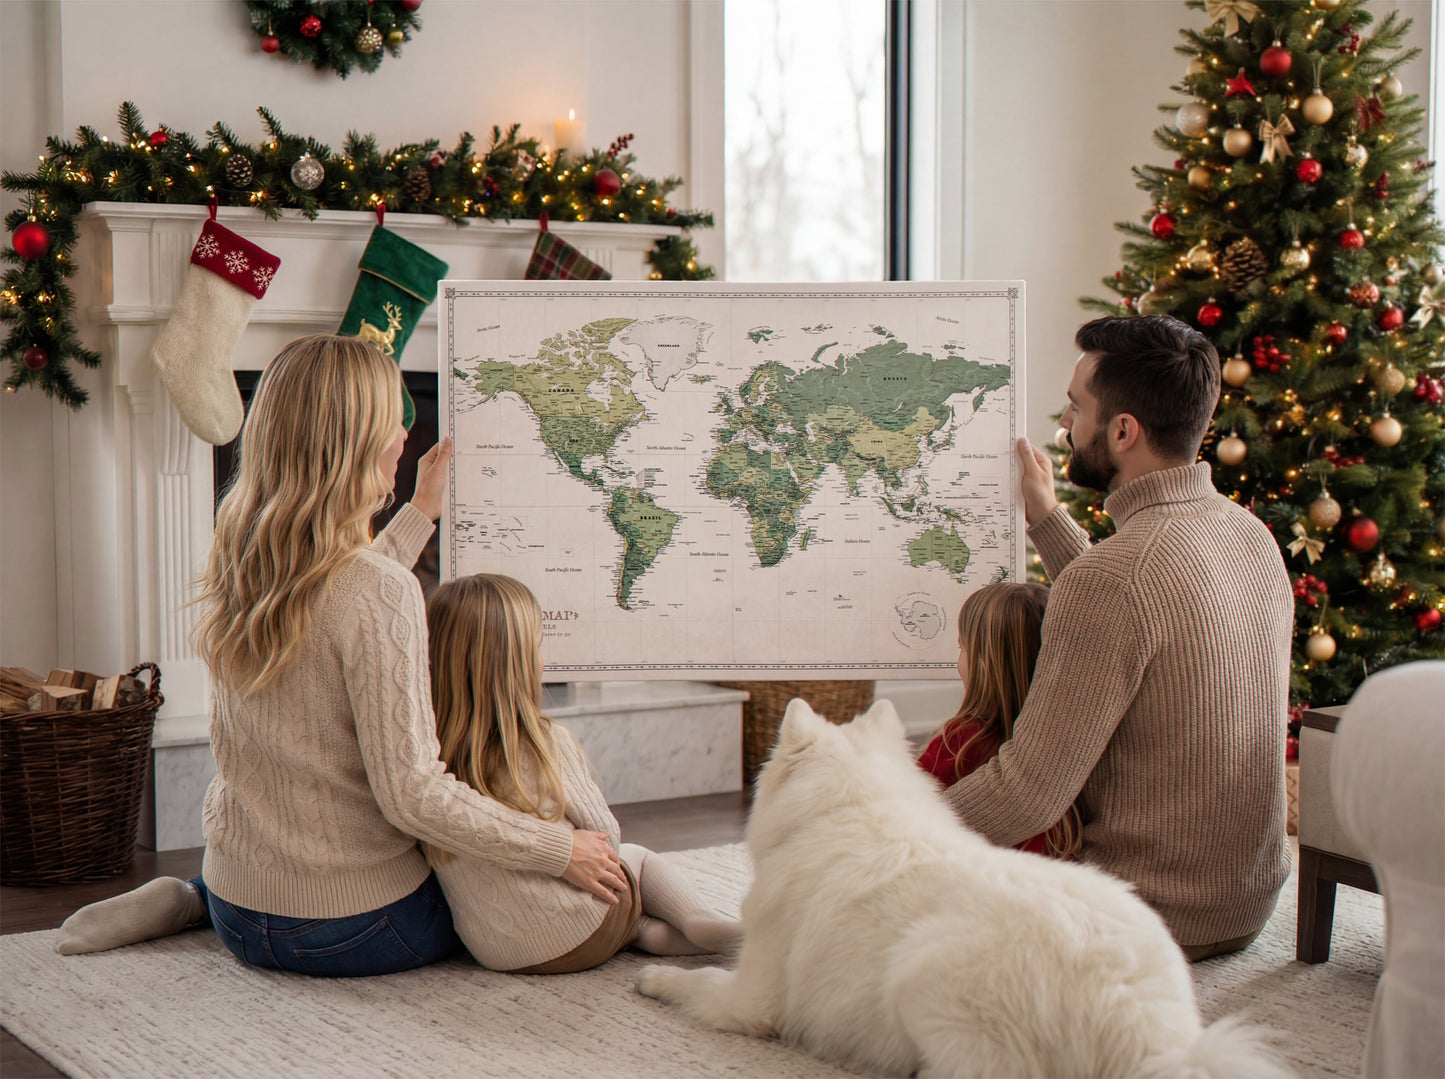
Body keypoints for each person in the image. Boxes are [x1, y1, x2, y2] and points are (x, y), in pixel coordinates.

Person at [55, 334, 627, 974]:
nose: (404, 436)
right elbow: (414, 795)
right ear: (353, 443)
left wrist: (420, 510)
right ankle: (193, 901)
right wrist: (558, 851)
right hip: (353, 926)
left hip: (238, 904)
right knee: (500, 899)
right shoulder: (378, 590)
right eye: (392, 422)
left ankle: (192, 899)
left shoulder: (244, 554)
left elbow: (341, 603)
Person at [942, 314, 1293, 962]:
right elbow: (1143, 606)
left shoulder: (1115, 578)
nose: (1065, 422)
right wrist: (1046, 516)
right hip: (1246, 903)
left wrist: (893, 825)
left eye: (1077, 407)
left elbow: (1027, 793)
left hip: (1143, 915)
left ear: (1122, 431)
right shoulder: (1248, 534)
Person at [424, 573, 741, 973]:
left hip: (501, 951)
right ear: (519, 663)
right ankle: (700, 921)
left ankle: (642, 931)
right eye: (538, 647)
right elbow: (607, 838)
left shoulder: (426, 759)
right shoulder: (545, 742)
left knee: (633, 925)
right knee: (635, 859)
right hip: (581, 926)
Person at [916, 582, 1081, 860]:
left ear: (983, 663)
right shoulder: (1072, 744)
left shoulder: (958, 744)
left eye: (962, 648)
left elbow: (902, 808)